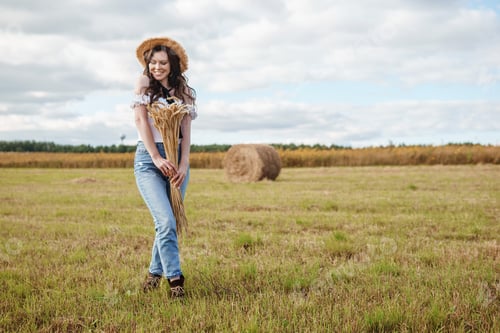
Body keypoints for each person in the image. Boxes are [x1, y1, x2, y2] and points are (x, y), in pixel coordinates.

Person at [131, 37, 197, 298]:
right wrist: (157, 158)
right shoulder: (143, 83)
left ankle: (153, 274)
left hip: (177, 159)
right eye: (153, 62)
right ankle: (175, 280)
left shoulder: (184, 92)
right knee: (166, 221)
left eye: (163, 63)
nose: (157, 67)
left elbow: (187, 134)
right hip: (149, 161)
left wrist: (183, 164)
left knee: (167, 225)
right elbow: (140, 120)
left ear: (173, 65)